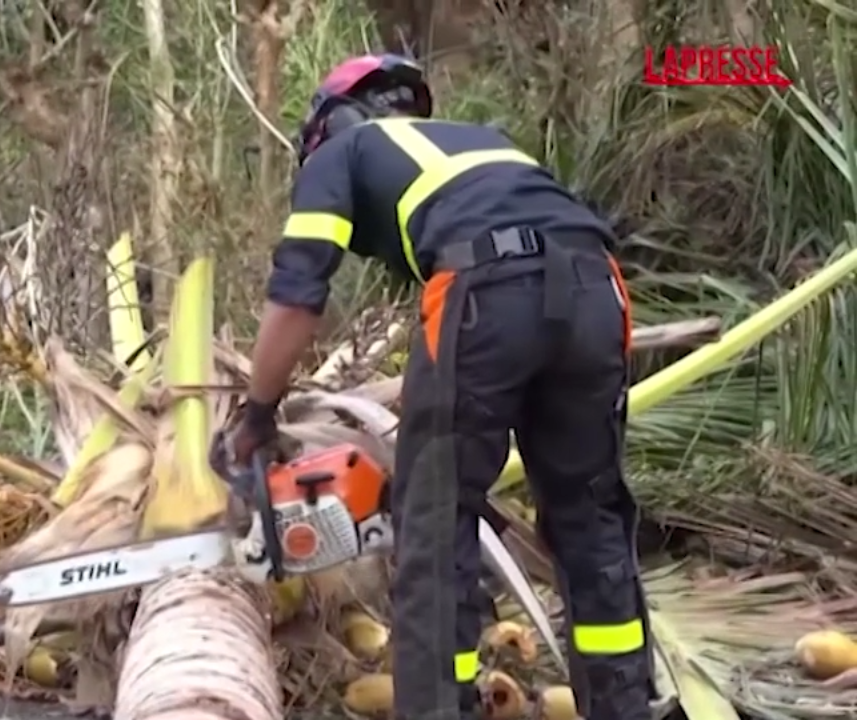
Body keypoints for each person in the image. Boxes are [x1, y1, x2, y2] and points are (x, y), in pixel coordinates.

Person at [224, 53, 656, 720]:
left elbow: (299, 293)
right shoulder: (481, 146)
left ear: (327, 123)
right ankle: (623, 707)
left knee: (435, 521)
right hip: (598, 290)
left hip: (485, 286)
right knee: (591, 517)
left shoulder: (339, 154)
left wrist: (256, 412)